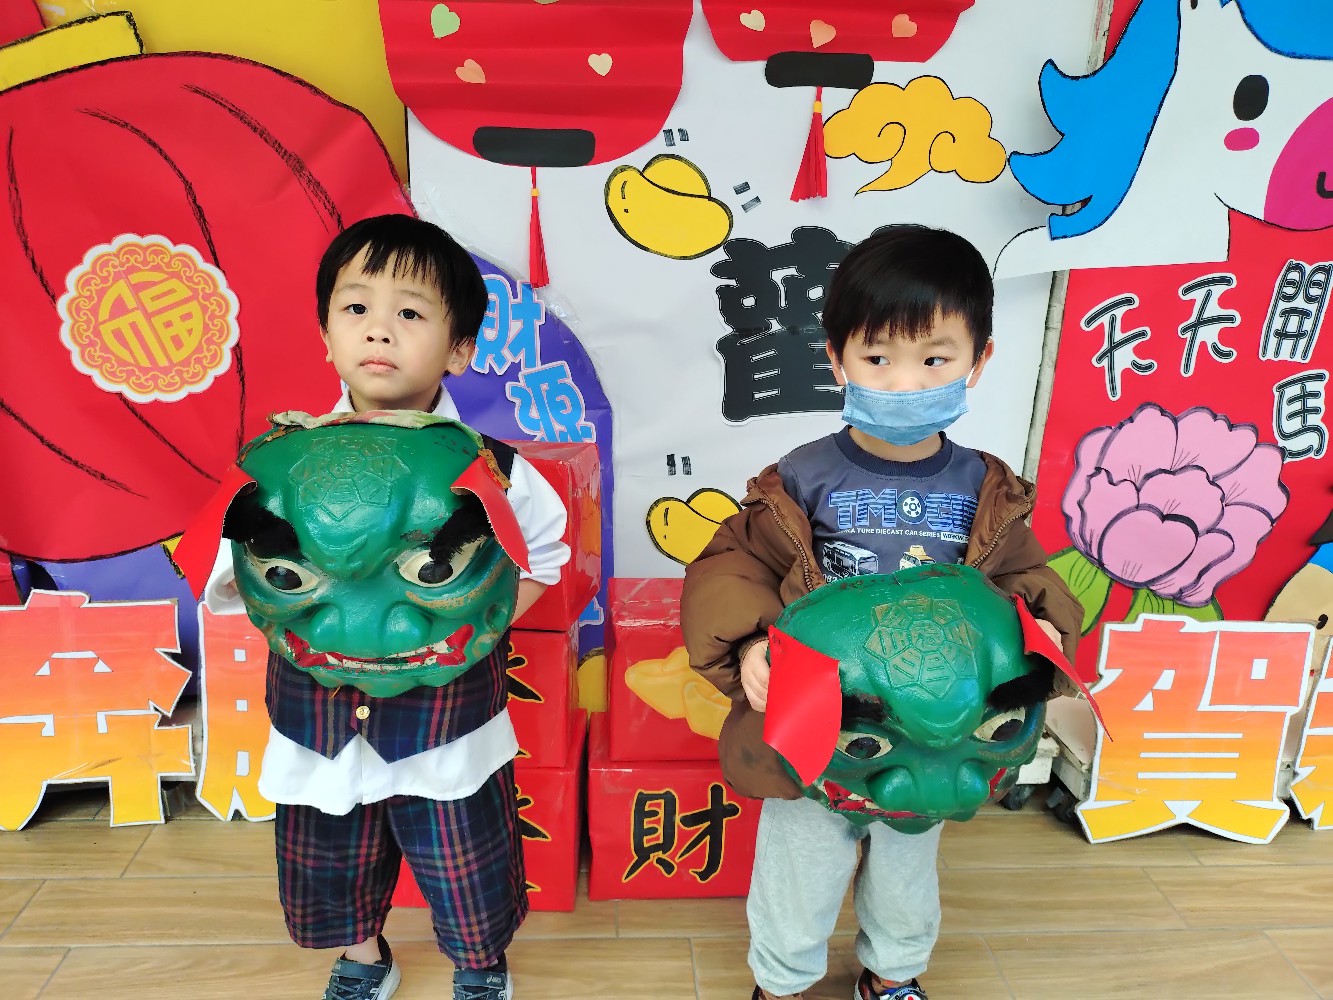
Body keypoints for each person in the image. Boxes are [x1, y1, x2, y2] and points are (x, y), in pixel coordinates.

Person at [680, 225, 1083, 1000]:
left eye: (933, 359)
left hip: (935, 735)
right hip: (821, 723)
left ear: (978, 362)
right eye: (877, 358)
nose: (903, 383)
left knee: (907, 868)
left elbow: (1023, 578)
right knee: (798, 869)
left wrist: (1039, 630)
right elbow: (732, 567)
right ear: (836, 360)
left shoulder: (985, 489)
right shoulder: (799, 479)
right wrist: (755, 643)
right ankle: (782, 980)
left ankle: (893, 972)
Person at [203, 214, 570, 1000]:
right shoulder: (275, 465)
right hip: (316, 719)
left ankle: (479, 965)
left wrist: (463, 626)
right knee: (329, 850)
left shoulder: (497, 473)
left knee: (465, 854)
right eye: (356, 307)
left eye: (409, 312)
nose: (379, 329)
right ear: (325, 334)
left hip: (448, 724)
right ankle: (363, 955)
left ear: (459, 348)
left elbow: (542, 560)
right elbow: (238, 578)